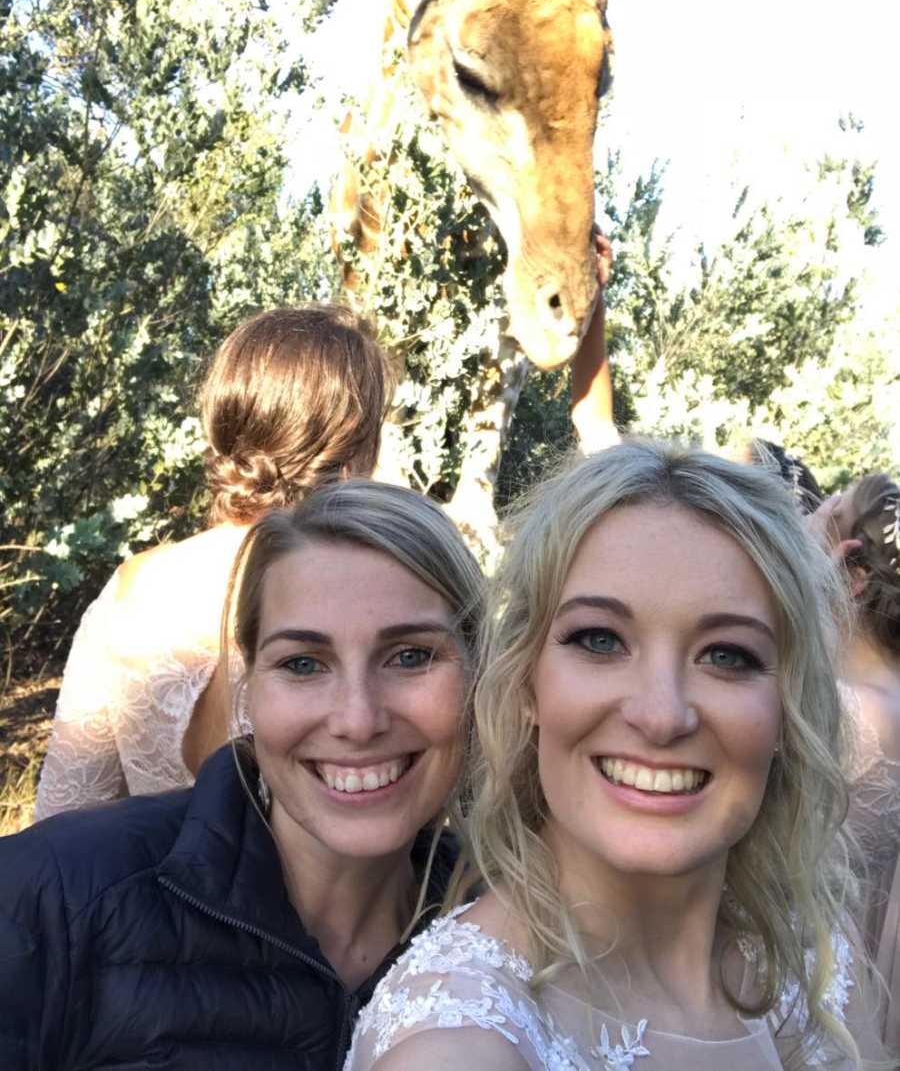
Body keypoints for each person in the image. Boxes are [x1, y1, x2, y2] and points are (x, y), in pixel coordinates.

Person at [347, 442, 886, 1070]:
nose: (661, 716)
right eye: (600, 640)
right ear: (525, 683)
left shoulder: (816, 954)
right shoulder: (457, 1045)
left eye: (727, 654)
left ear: (789, 708)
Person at [0, 479, 483, 1069]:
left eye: (410, 655)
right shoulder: (52, 900)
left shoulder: (515, 936)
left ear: (480, 673)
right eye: (303, 664)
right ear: (250, 686)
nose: (358, 720)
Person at [34, 303, 392, 819]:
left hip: (155, 897)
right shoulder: (376, 591)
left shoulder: (131, 591)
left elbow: (63, 815)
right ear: (356, 443)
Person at [818, 472, 900, 1054]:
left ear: (854, 574)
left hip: (821, 963)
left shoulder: (842, 711)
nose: (819, 509)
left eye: (834, 511)